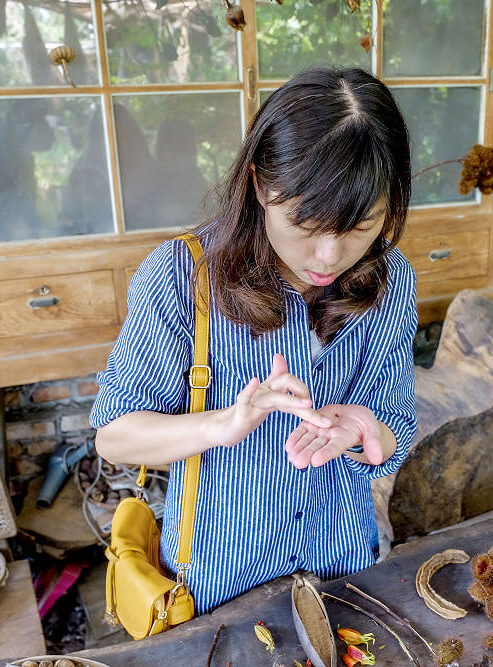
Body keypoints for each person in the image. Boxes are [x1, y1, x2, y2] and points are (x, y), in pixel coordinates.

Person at [90, 66, 418, 614]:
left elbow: (395, 432)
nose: (330, 258)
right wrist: (225, 425)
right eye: (308, 226)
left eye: (361, 227)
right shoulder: (180, 276)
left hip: (345, 566)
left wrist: (366, 432)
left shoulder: (391, 277)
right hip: (217, 581)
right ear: (263, 186)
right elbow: (115, 437)